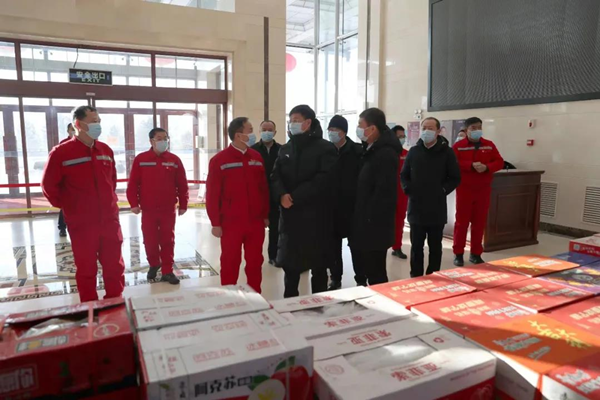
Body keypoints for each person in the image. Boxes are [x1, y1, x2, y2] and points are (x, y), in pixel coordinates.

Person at [41, 106, 125, 302]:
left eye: (99, 121)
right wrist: (70, 207)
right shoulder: (61, 153)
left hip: (109, 219)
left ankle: (114, 302)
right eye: (93, 121)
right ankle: (89, 306)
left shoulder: (105, 150)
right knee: (86, 267)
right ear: (78, 124)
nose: (98, 125)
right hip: (82, 223)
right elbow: (49, 186)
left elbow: (112, 181)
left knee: (114, 265)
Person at [271, 105, 338, 298]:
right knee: (290, 268)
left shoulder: (325, 148)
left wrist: (295, 196)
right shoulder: (286, 149)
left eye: (296, 120)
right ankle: (289, 304)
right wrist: (281, 195)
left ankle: (319, 305)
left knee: (318, 267)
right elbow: (275, 176)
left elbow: (324, 179)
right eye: (290, 120)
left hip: (316, 218)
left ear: (308, 122)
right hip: (290, 218)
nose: (292, 124)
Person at [206, 117, 269, 293]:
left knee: (255, 261)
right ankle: (229, 297)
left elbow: (263, 189)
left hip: (255, 221)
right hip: (231, 222)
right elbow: (212, 194)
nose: (253, 134)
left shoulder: (256, 157)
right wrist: (215, 222)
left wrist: (265, 214)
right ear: (238, 135)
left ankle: (255, 295)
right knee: (230, 261)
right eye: (250, 130)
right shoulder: (219, 160)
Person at [127, 128, 189, 285]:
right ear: (151, 141)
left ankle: (167, 270)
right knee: (150, 240)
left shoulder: (174, 160)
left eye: (165, 138)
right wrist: (133, 203)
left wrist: (183, 203)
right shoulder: (141, 159)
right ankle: (154, 263)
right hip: (148, 209)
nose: (163, 141)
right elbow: (133, 183)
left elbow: (182, 184)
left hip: (168, 208)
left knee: (168, 240)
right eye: (159, 138)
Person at [401, 117, 460, 277]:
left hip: (436, 207)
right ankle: (416, 275)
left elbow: (455, 178)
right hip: (416, 207)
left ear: (438, 131)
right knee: (416, 246)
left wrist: (442, 190)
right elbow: (404, 175)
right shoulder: (414, 151)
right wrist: (408, 189)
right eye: (424, 127)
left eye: (431, 128)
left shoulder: (447, 152)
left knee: (435, 247)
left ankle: (433, 275)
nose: (426, 131)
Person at [350, 108, 401, 286]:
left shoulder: (385, 154)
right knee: (367, 266)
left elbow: (383, 193)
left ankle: (379, 300)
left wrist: (369, 219)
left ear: (372, 129)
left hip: (375, 224)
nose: (358, 129)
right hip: (366, 220)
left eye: (360, 125)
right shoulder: (371, 149)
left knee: (376, 272)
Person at [452, 117, 504, 266]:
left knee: (479, 222)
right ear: (466, 130)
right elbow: (452, 163)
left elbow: (499, 162)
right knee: (461, 223)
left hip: (483, 189)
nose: (477, 130)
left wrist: (487, 167)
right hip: (465, 189)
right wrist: (469, 165)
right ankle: (458, 253)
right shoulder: (458, 146)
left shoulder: (489, 145)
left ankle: (475, 253)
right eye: (473, 128)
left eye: (479, 127)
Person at [327, 115, 363, 290]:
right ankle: (335, 278)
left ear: (343, 132)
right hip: (332, 207)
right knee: (333, 247)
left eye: (335, 130)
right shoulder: (326, 151)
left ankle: (361, 278)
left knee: (356, 246)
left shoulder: (357, 151)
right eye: (330, 130)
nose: (331, 133)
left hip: (353, 207)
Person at [251, 120, 282, 266]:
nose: (267, 132)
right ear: (259, 131)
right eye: (264, 129)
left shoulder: (282, 150)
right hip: (257, 195)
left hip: (275, 195)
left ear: (275, 132)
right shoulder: (252, 150)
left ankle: (273, 256)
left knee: (276, 228)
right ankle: (254, 257)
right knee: (256, 229)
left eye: (270, 130)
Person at [391, 125, 409, 260]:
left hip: (402, 194)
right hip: (388, 193)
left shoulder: (407, 154)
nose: (401, 139)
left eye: (403, 137)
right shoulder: (386, 153)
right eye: (399, 137)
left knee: (399, 221)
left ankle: (397, 247)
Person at [57, 123, 76, 237]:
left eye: (75, 129)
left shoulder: (86, 143)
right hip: (67, 181)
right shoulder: (63, 144)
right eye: (71, 129)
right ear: (68, 131)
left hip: (80, 180)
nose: (73, 131)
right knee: (65, 206)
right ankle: (62, 228)